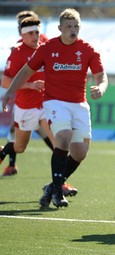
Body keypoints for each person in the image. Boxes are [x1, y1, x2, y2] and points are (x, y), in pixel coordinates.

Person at [2, 8, 108, 208]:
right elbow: (26, 71)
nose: (73, 30)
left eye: (76, 26)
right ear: (60, 28)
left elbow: (101, 75)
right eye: (68, 26)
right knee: (63, 138)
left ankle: (51, 187)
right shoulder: (47, 48)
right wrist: (10, 92)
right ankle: (58, 193)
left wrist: (101, 87)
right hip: (53, 102)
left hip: (79, 104)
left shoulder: (88, 49)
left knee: (80, 152)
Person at [0, 16, 55, 177]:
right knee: (19, 147)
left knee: (59, 146)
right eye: (30, 33)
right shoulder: (17, 53)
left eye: (36, 32)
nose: (34, 36)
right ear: (22, 35)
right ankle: (4, 154)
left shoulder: (46, 48)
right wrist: (30, 85)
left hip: (46, 105)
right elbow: (5, 82)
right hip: (26, 107)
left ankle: (59, 186)